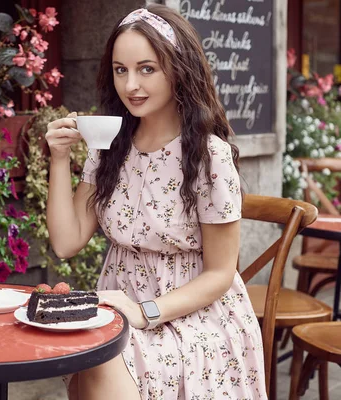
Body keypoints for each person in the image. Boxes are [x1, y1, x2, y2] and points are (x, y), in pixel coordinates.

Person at [44, 5, 267, 399]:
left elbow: (220, 273)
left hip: (194, 317)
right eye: (120, 70)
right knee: (95, 351)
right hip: (118, 305)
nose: (131, 85)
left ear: (179, 69)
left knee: (102, 357)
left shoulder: (207, 155)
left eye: (147, 69)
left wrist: (144, 311)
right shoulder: (110, 145)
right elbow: (66, 241)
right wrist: (59, 159)